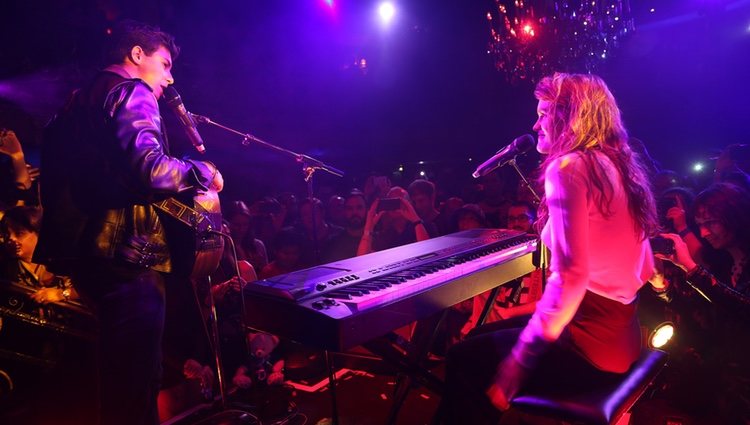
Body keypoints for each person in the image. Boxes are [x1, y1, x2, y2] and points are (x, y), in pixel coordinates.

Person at [33, 20, 223, 425]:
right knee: (137, 382)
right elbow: (151, 170)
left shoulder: (74, 103)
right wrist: (201, 172)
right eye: (166, 64)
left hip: (87, 257)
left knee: (118, 380)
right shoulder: (131, 90)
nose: (170, 79)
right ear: (137, 55)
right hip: (128, 258)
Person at [441, 73, 657, 424]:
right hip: (621, 337)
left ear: (571, 117)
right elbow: (642, 266)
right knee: (481, 337)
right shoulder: (615, 166)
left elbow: (571, 276)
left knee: (464, 359)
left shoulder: (569, 166)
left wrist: (519, 362)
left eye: (544, 113)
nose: (535, 123)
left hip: (589, 347)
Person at [652, 183, 750, 423]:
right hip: (728, 382)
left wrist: (691, 268)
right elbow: (699, 315)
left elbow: (743, 308)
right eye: (700, 225)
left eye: (711, 223)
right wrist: (660, 286)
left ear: (735, 216)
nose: (704, 233)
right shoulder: (722, 264)